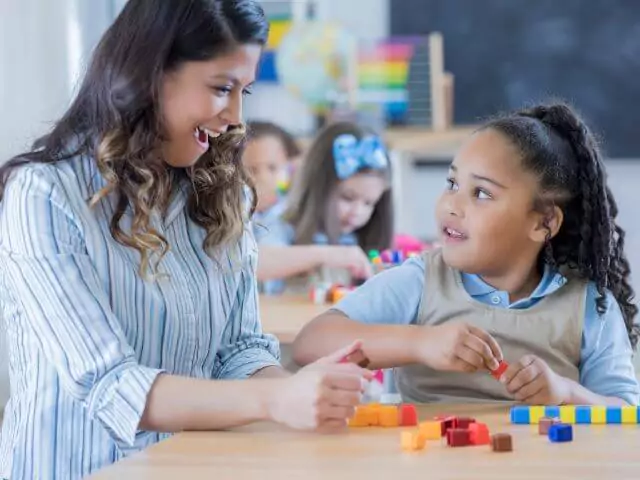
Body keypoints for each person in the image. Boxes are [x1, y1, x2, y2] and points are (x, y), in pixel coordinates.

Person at [0, 2, 370, 478]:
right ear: (150, 74)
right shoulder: (45, 194)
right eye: (221, 88)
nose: (236, 117)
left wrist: (302, 390)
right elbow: (112, 386)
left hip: (189, 466)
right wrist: (276, 398)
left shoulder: (222, 189)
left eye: (244, 92)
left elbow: (239, 349)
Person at [293, 103, 640, 406]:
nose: (451, 205)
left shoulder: (590, 306)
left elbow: (627, 413)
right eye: (452, 184)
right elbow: (311, 343)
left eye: (482, 193)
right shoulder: (421, 281)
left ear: (545, 221)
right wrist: (420, 343)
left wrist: (567, 394)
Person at [257, 121, 394, 294]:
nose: (357, 212)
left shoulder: (360, 239)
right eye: (347, 198)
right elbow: (255, 263)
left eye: (369, 203)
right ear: (318, 188)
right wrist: (328, 255)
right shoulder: (285, 227)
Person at [242, 120, 300, 243]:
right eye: (252, 169)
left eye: (272, 167)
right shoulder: (236, 213)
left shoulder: (293, 210)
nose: (264, 179)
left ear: (290, 167)